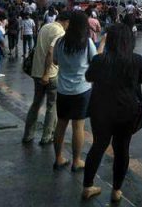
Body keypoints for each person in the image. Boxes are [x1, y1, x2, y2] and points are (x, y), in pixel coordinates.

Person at [82, 23, 142, 202]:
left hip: (101, 111)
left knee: (98, 146)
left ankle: (87, 186)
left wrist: (102, 45)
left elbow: (88, 76)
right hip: (127, 111)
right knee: (122, 149)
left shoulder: (100, 60)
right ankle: (116, 190)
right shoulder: (136, 60)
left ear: (109, 40)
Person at [52, 10, 97, 171]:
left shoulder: (60, 42)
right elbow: (95, 61)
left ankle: (58, 158)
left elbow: (55, 61)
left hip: (63, 90)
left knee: (61, 124)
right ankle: (76, 161)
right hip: (81, 90)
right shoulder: (87, 43)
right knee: (78, 126)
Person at [23, 11, 69, 145]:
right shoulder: (60, 32)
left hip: (36, 71)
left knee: (36, 104)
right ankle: (47, 136)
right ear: (66, 21)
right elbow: (50, 52)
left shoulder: (45, 27)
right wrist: (47, 73)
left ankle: (28, 135)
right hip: (50, 74)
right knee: (51, 106)